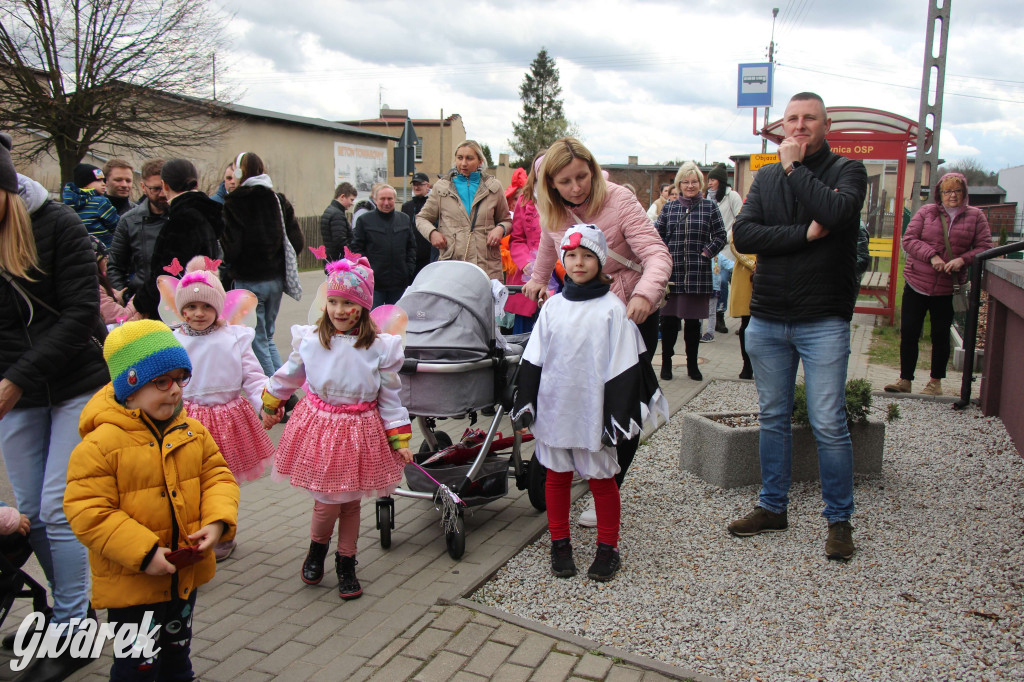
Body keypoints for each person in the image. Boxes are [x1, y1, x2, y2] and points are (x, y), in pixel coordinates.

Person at [730, 92, 868, 561]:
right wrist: (802, 236)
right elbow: (744, 235)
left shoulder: (848, 172)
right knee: (772, 417)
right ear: (782, 126)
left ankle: (839, 520)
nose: (800, 126)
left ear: (826, 124)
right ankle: (773, 507)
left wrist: (794, 170)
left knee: (828, 422)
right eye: (792, 119)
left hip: (823, 318)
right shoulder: (765, 177)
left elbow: (833, 214)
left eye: (809, 118)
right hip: (768, 317)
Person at [64, 319, 240, 680]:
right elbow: (88, 512)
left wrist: (217, 521)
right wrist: (144, 553)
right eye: (161, 382)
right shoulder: (99, 446)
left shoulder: (191, 430)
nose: (175, 391)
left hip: (182, 576)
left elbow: (217, 476)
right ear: (130, 387)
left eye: (180, 379)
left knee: (178, 655)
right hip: (135, 584)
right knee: (137, 667)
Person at [0, 132, 109, 681]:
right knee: (26, 512)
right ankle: (73, 608)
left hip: (73, 383)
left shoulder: (59, 225)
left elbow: (78, 315)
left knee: (57, 507)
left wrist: (16, 378)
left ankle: (73, 629)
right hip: (15, 391)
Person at [522, 137, 671, 529]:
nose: (576, 187)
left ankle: (610, 481)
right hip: (578, 314)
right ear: (550, 183)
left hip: (628, 313)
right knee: (580, 394)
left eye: (582, 177)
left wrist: (644, 295)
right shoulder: (550, 208)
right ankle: (580, 464)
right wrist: (538, 279)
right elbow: (547, 245)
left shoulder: (620, 199)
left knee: (621, 401)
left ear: (593, 169)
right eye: (565, 181)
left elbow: (657, 254)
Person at [513, 225, 667, 582]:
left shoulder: (614, 310)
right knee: (556, 476)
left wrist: (616, 415)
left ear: (600, 261)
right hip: (556, 409)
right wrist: (526, 402)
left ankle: (607, 547)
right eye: (570, 256)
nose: (578, 263)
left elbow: (625, 363)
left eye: (586, 256)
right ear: (562, 260)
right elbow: (534, 356)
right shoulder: (552, 307)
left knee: (601, 479)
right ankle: (560, 543)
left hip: (592, 413)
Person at [261, 251, 413, 600]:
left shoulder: (379, 348)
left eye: (349, 302)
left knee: (351, 503)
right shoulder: (311, 340)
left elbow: (390, 398)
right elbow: (288, 377)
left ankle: (347, 561)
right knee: (327, 501)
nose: (340, 310)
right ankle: (317, 549)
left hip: (361, 431)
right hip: (321, 429)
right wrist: (271, 405)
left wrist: (400, 438)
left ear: (362, 306)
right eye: (333, 301)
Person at [163, 257, 275, 561]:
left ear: (218, 308)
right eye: (191, 307)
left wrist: (265, 403)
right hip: (186, 420)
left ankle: (224, 532)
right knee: (188, 480)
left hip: (228, 419)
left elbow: (252, 377)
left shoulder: (234, 337)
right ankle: (193, 530)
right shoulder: (173, 340)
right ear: (181, 309)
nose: (199, 314)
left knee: (223, 481)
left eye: (207, 307)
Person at [884, 172, 992, 396]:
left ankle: (935, 382)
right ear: (939, 193)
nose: (952, 195)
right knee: (910, 331)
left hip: (947, 288)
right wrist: (932, 256)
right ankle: (905, 379)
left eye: (957, 191)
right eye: (948, 191)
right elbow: (909, 240)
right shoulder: (927, 212)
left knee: (941, 335)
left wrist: (963, 260)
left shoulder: (976, 217)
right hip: (917, 282)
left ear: (964, 193)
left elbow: (984, 246)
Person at [222, 151, 305, 376]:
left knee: (256, 341)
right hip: (275, 282)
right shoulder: (278, 199)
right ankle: (283, 391)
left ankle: (276, 395)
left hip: (248, 281)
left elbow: (232, 248)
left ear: (239, 172)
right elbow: (297, 241)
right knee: (267, 338)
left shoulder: (235, 201)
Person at [655, 161, 727, 380]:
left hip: (698, 273)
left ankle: (692, 365)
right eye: (685, 182)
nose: (689, 185)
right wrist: (662, 257)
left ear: (700, 183)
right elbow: (656, 235)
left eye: (694, 181)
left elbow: (721, 235)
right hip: (673, 274)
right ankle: (666, 363)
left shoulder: (709, 207)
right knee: (668, 321)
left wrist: (706, 253)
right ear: (679, 184)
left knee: (693, 323)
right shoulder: (669, 207)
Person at [132, 159, 223, 319]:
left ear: (165, 185)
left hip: (179, 309)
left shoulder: (183, 219)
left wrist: (140, 302)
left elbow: (168, 272)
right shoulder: (204, 213)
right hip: (202, 303)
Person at [415, 140, 512, 280]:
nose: (463, 163)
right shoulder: (442, 187)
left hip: (486, 266)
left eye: (469, 158)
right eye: (460, 158)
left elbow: (506, 220)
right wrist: (432, 233)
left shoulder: (494, 187)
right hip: (452, 266)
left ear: (480, 161)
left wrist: (500, 229)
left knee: (485, 302)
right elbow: (422, 218)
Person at [108, 158, 171, 298]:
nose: (162, 194)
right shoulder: (129, 221)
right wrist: (126, 298)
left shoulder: (188, 217)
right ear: (143, 187)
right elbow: (115, 266)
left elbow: (215, 260)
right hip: (141, 302)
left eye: (166, 187)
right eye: (156, 189)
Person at [350, 184, 417, 306]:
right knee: (374, 321)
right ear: (375, 200)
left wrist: (408, 269)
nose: (386, 202)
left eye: (390, 199)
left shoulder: (404, 219)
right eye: (382, 199)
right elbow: (356, 248)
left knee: (396, 321)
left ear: (394, 200)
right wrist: (367, 271)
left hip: (399, 283)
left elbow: (411, 247)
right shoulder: (364, 220)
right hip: (374, 285)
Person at [506, 153, 546, 334]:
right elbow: (518, 239)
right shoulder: (525, 200)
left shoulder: (568, 198)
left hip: (560, 275)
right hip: (528, 276)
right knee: (525, 338)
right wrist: (526, 264)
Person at [707, 163, 742, 333]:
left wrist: (726, 237)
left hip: (728, 247)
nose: (709, 183)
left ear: (720, 181)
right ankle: (718, 316)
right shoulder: (708, 198)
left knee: (727, 280)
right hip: (713, 247)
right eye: (708, 180)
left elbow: (740, 218)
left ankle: (740, 317)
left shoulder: (732, 196)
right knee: (718, 281)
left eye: (712, 179)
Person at [62, 162, 120, 247]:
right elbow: (117, 225)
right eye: (98, 180)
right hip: (104, 249)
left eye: (103, 180)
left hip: (79, 248)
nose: (104, 184)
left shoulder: (67, 204)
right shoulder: (100, 202)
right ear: (85, 184)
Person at [91, 236, 141, 324]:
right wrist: (139, 297)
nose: (107, 264)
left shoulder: (97, 285)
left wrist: (116, 296)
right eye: (105, 260)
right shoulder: (94, 289)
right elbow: (121, 317)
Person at [728, 236, 756, 380]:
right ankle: (747, 364)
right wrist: (755, 263)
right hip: (747, 273)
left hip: (774, 269)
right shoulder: (743, 213)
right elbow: (735, 242)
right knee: (747, 322)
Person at [403, 172, 435, 276]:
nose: (417, 187)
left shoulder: (434, 204)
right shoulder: (406, 206)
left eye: (420, 184)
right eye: (414, 184)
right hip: (412, 257)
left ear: (427, 186)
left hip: (429, 256)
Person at [321, 182, 357, 262]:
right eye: (351, 200)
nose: (352, 203)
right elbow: (340, 241)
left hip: (331, 258)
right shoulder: (337, 215)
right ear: (342, 196)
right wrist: (352, 255)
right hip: (338, 261)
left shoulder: (330, 210)